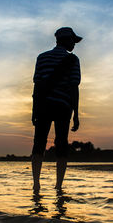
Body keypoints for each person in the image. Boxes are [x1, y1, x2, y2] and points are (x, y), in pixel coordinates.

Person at [31, 27, 82, 193]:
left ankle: (36, 184)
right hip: (63, 106)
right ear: (66, 40)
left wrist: (34, 110)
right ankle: (58, 186)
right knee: (61, 144)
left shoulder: (42, 57)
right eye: (73, 41)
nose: (74, 45)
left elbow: (37, 86)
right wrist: (76, 114)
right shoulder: (73, 60)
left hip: (43, 106)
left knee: (38, 143)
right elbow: (74, 87)